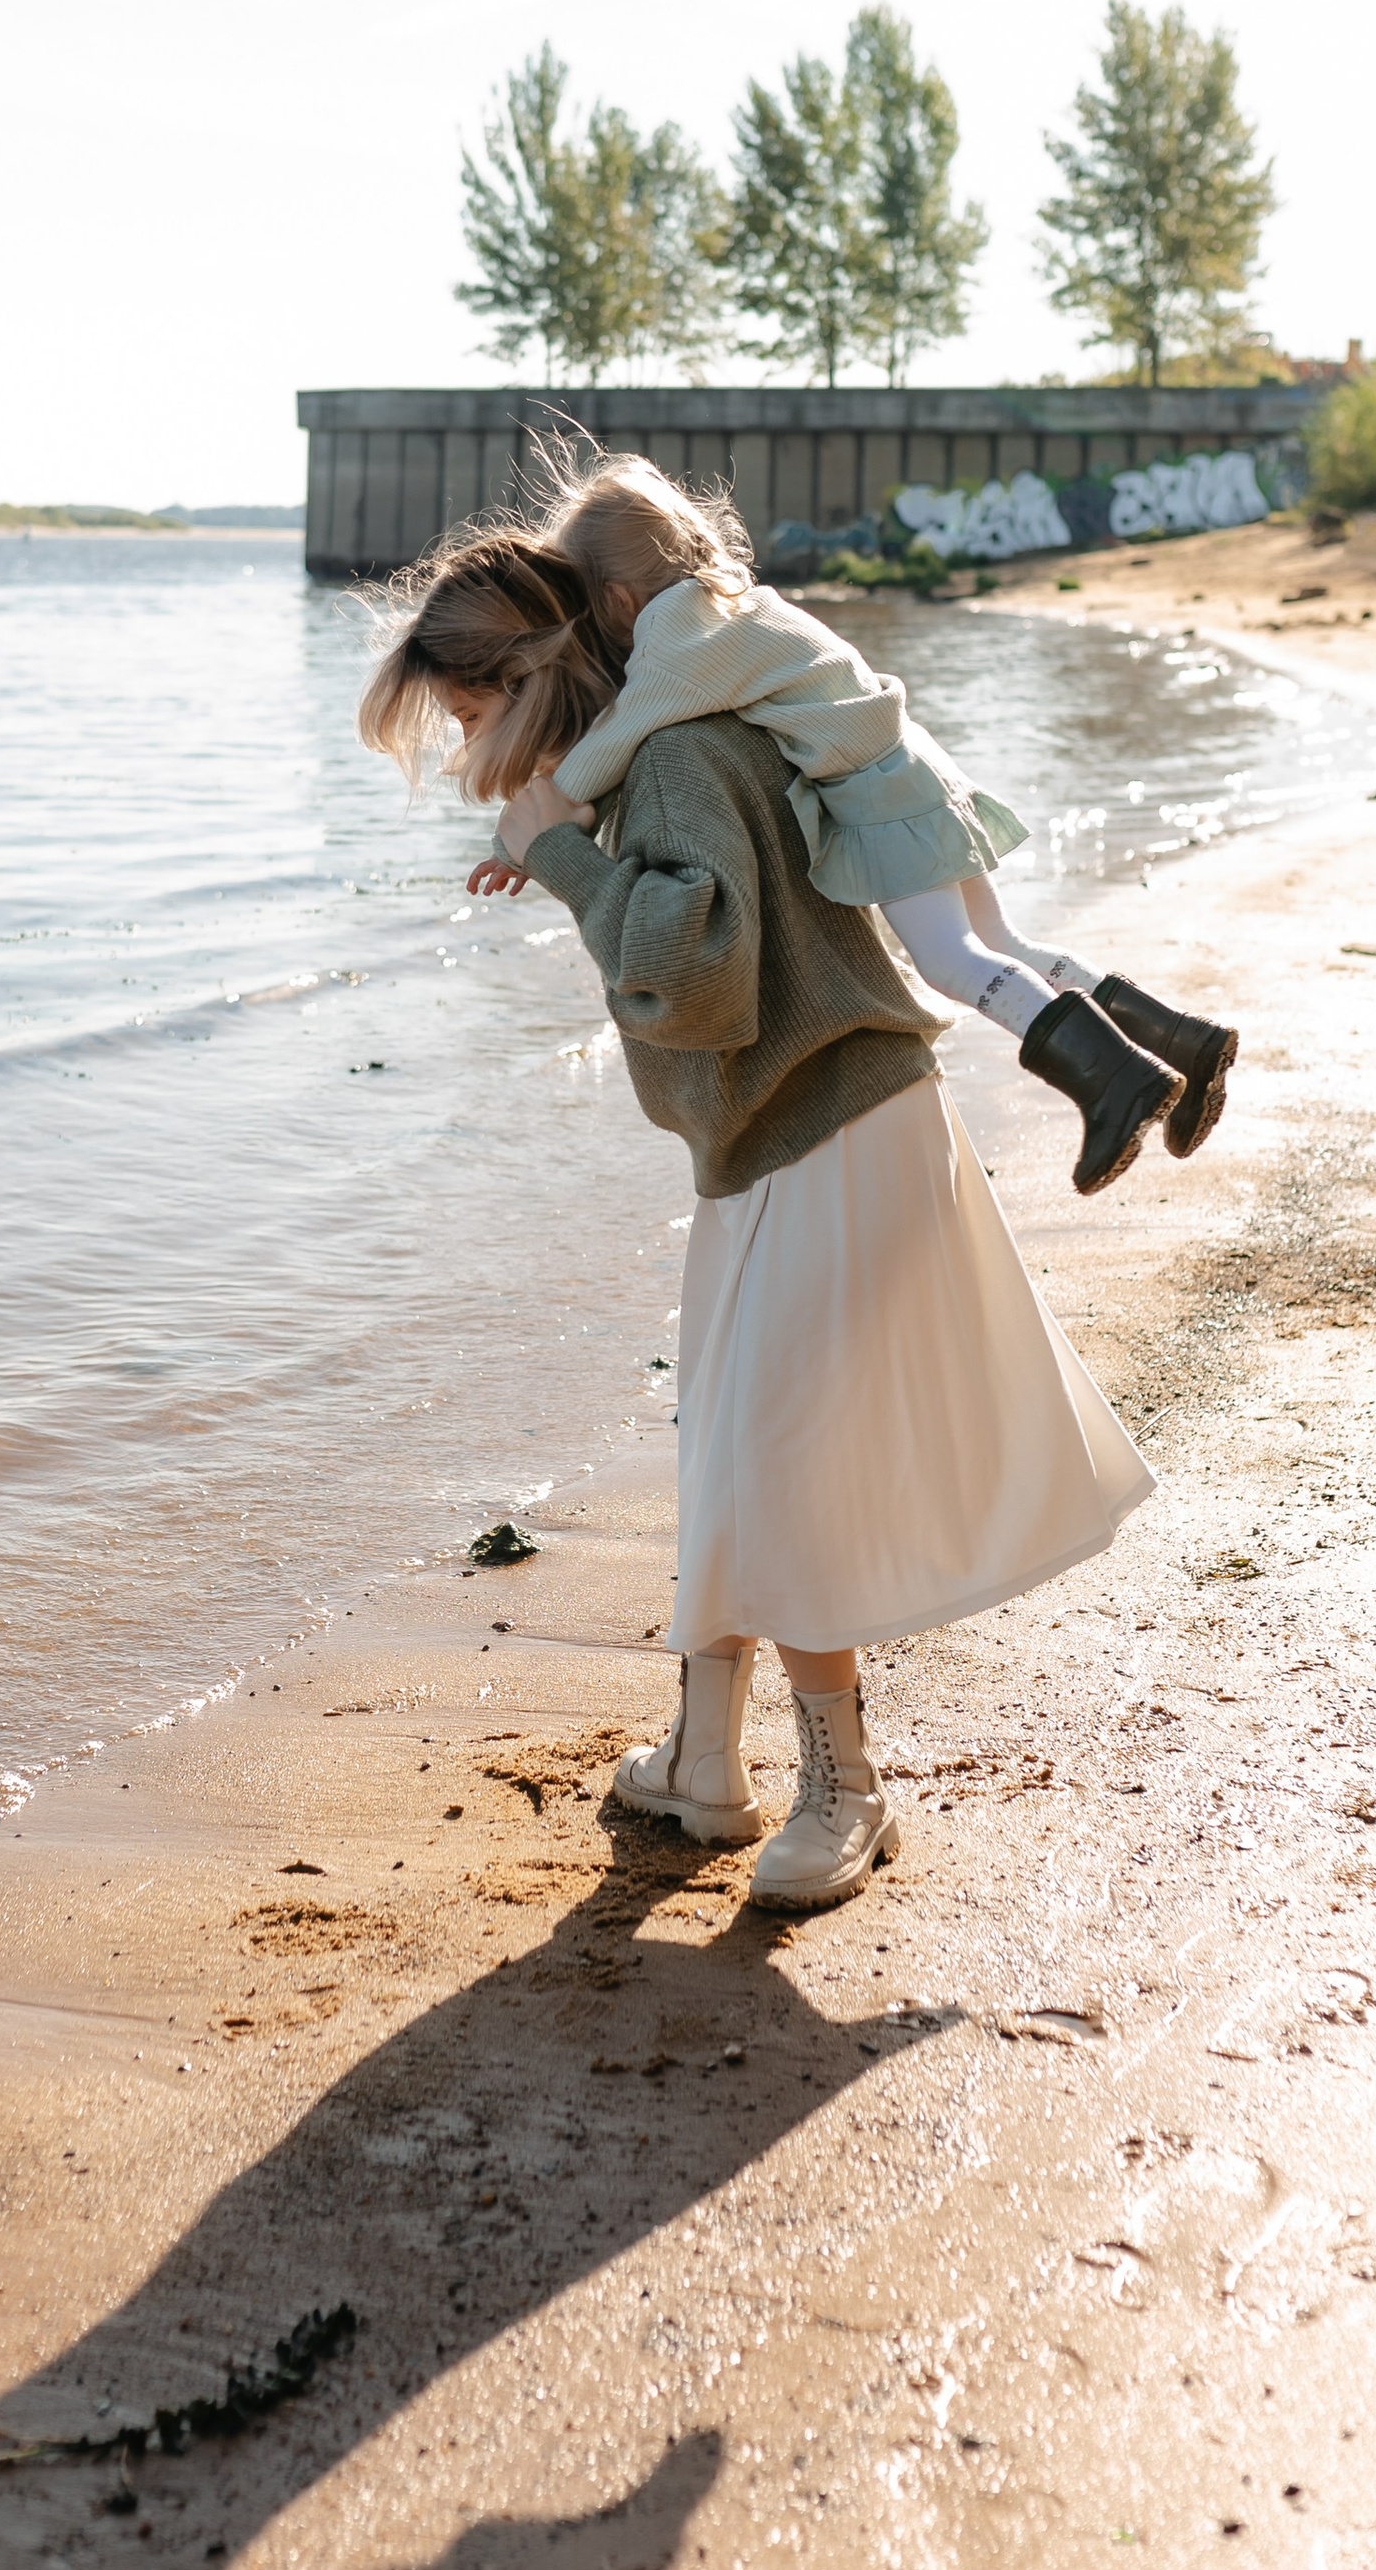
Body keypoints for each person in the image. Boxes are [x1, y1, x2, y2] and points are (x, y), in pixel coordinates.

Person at [359, 524, 1153, 1909]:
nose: (468, 751)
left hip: (827, 1123)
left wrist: (562, 857)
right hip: (782, 1133)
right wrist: (570, 843)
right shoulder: (664, 749)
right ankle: (701, 1761)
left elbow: (698, 979)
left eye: (472, 714)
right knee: (729, 1448)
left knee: (781, 1467)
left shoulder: (672, 761)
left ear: (533, 682)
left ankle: (846, 1788)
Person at [522, 452, 1239, 1199]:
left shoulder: (674, 634)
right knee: (1004, 942)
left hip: (878, 789)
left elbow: (627, 727)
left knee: (951, 961)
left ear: (616, 599)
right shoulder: (734, 601)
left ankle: (1112, 1081)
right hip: (912, 762)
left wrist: (538, 826)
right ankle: (1183, 1043)